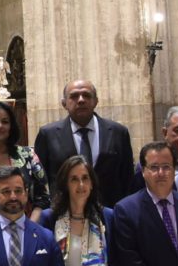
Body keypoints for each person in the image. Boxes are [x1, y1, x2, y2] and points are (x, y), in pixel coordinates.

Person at [38, 156, 117, 266]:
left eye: (85, 178)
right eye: (74, 179)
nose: (81, 185)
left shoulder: (108, 217)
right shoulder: (49, 219)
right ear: (65, 184)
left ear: (92, 183)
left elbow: (114, 265)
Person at [34, 79, 134, 207]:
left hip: (109, 213)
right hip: (64, 215)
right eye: (74, 96)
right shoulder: (48, 135)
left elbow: (127, 178)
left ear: (95, 101)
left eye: (86, 95)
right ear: (64, 103)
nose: (81, 100)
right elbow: (41, 180)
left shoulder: (118, 132)